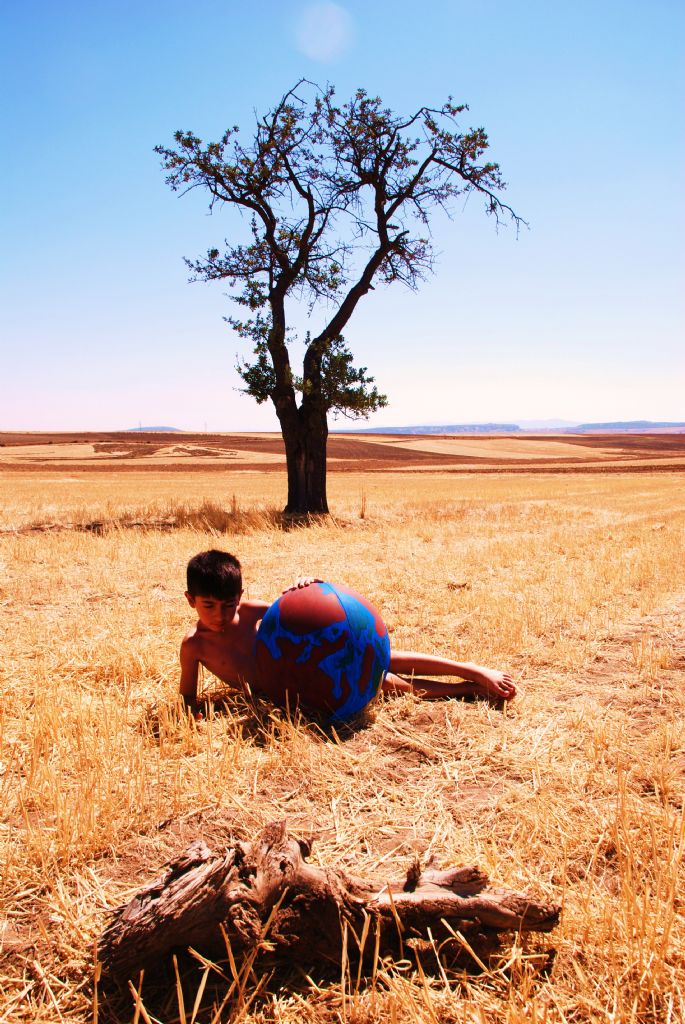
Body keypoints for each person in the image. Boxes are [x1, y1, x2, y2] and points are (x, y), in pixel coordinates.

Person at [179, 549, 516, 717]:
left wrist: (304, 587)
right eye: (209, 606)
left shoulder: (252, 611)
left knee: (378, 656)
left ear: (239, 596)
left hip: (306, 663)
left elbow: (299, 614)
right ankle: (464, 691)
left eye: (229, 604)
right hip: (291, 690)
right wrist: (192, 712)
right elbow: (187, 698)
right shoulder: (194, 647)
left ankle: (470, 669)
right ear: (191, 601)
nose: (221, 615)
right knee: (381, 682)